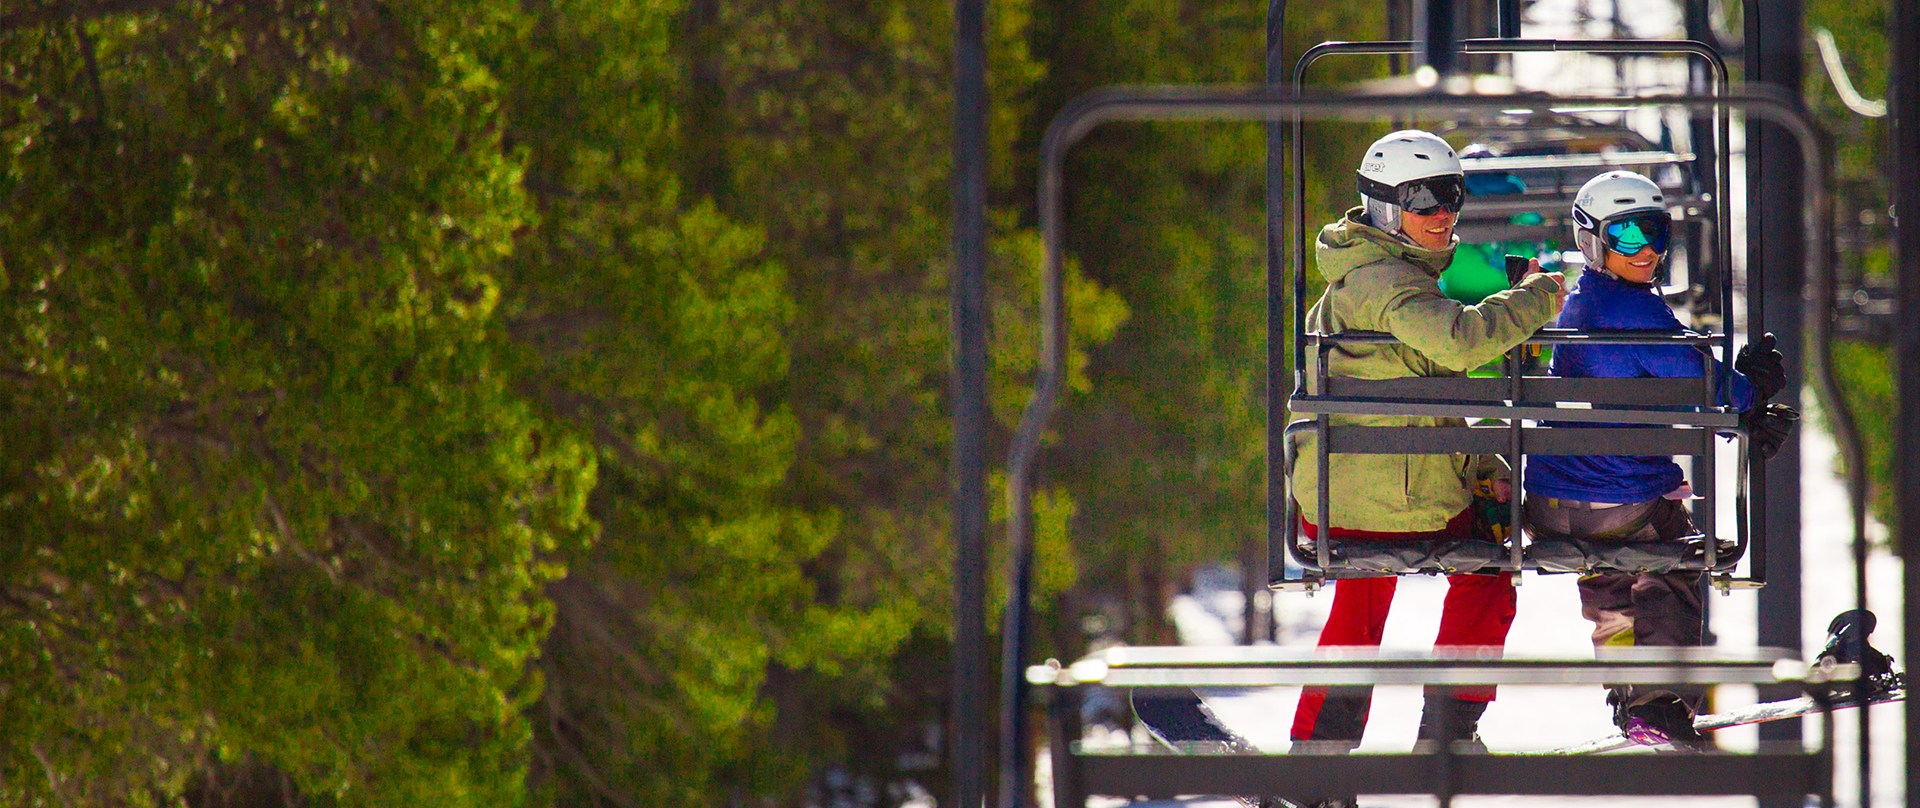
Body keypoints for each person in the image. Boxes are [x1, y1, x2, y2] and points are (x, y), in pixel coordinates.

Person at [1288, 130, 1566, 769]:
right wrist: (1539, 296)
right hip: (1401, 502)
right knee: (1489, 571)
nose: (1443, 214)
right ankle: (1449, 724)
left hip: (1343, 499)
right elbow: (1463, 343)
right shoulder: (1392, 286)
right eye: (1425, 199)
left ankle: (1318, 761)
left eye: (1452, 197)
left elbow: (1418, 405)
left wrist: (1479, 464)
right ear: (1387, 208)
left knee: (1361, 602)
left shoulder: (1366, 279)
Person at [1521, 170, 1799, 750]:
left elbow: (1688, 378)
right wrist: (1748, 394)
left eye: (1655, 233)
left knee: (1612, 584)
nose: (1646, 250)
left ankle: (1628, 689)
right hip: (1620, 503)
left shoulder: (1581, 304)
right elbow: (1699, 382)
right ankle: (1657, 698)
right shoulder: (1635, 312)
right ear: (1594, 241)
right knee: (1676, 564)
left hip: (1551, 505)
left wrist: (1737, 393)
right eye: (1626, 237)